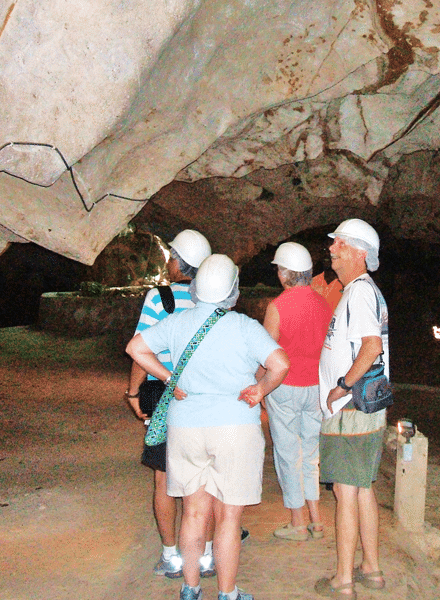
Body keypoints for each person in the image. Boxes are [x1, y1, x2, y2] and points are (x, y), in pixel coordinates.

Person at [126, 254, 290, 600]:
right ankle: (228, 593)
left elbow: (136, 348)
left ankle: (190, 588)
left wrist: (170, 377)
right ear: (233, 291)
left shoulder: (178, 323)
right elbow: (280, 364)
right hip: (235, 428)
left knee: (193, 511)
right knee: (229, 517)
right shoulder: (245, 326)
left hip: (186, 426)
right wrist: (260, 390)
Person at [125, 229, 214, 579]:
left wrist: (133, 395)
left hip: (162, 391)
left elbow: (140, 348)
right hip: (203, 393)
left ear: (177, 262)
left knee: (164, 477)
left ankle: (171, 556)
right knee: (203, 477)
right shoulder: (213, 301)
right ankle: (205, 555)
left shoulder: (158, 297)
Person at [314, 219, 389, 599]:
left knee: (345, 491)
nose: (332, 249)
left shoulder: (359, 293)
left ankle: (343, 579)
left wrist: (341, 386)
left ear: (359, 252)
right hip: (363, 409)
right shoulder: (361, 291)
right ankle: (370, 568)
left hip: (351, 409)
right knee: (361, 488)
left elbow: (371, 346)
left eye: (339, 243)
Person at [263, 242, 332, 541]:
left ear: (286, 273)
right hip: (316, 387)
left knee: (288, 453)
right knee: (311, 453)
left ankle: (297, 522)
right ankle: (317, 520)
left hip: (286, 387)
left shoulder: (277, 306)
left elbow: (267, 353)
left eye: (279, 269)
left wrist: (258, 387)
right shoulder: (324, 304)